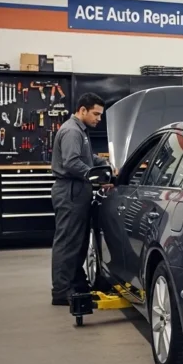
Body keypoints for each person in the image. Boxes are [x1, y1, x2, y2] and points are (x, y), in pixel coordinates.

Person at [50, 92, 110, 306]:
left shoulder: (81, 131)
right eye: (96, 114)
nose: (98, 119)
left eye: (100, 115)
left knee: (79, 241)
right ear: (82, 110)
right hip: (70, 191)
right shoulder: (72, 131)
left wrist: (106, 165)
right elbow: (72, 163)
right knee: (67, 242)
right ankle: (61, 291)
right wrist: (97, 177)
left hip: (78, 190)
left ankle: (76, 283)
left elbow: (87, 158)